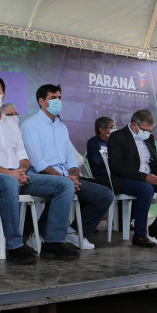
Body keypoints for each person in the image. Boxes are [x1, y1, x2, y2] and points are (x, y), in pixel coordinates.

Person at [0, 76, 79, 264]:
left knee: (64, 184)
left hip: (16, 175)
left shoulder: (11, 124)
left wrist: (21, 171)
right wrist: (10, 173)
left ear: (4, 95)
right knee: (8, 182)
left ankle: (53, 243)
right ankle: (15, 246)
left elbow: (23, 157)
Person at [20, 84, 114, 250]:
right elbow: (37, 162)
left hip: (66, 177)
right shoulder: (30, 125)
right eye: (53, 98)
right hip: (42, 176)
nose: (58, 101)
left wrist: (74, 177)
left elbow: (71, 158)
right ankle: (39, 235)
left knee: (105, 195)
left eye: (59, 98)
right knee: (63, 187)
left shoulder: (62, 126)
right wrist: (66, 180)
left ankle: (75, 232)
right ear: (41, 101)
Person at [108, 110, 157, 247]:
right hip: (126, 180)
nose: (148, 133)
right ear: (134, 125)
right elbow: (116, 166)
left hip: (149, 178)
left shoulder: (149, 137)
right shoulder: (117, 136)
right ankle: (139, 235)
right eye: (145, 130)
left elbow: (154, 162)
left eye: (151, 130)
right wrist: (144, 177)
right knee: (146, 189)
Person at [86, 117, 115, 188]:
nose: (114, 130)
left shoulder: (115, 142)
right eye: (111, 128)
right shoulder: (94, 142)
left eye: (115, 127)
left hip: (115, 174)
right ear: (101, 130)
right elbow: (99, 161)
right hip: (103, 176)